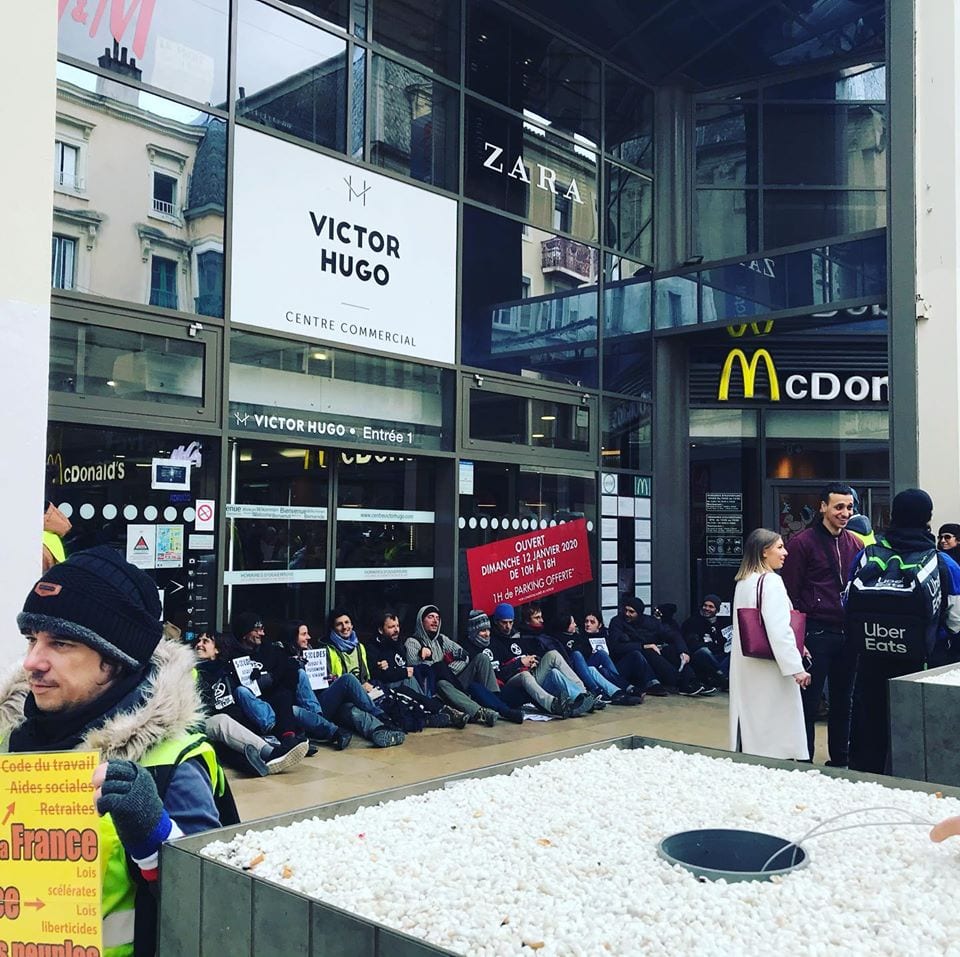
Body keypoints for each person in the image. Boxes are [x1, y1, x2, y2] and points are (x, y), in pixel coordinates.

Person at [0, 546, 228, 957]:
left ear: (115, 659)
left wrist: (156, 837)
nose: (33, 661)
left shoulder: (170, 764)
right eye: (32, 639)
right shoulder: (9, 739)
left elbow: (216, 911)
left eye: (61, 643)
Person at [848, 489, 960, 773]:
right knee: (916, 734)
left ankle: (867, 779)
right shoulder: (943, 563)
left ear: (892, 516)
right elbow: (956, 621)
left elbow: (846, 603)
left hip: (871, 659)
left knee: (869, 730)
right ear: (928, 519)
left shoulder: (865, 557)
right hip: (921, 664)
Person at [780, 482, 861, 767]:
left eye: (849, 507)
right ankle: (804, 758)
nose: (845, 513)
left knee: (844, 700)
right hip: (816, 631)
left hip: (846, 632)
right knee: (809, 701)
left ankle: (841, 758)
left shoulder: (856, 543)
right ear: (823, 506)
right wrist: (798, 638)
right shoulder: (802, 543)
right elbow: (790, 592)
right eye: (839, 506)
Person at [729, 528, 811, 760]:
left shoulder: (744, 581)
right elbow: (778, 628)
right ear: (764, 551)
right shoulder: (772, 581)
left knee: (752, 718)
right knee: (777, 719)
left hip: (747, 662)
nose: (785, 553)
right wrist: (796, 667)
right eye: (780, 547)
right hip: (771, 665)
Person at [195, 632, 310, 774]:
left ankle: (278, 748)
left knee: (280, 699)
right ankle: (270, 755)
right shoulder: (191, 672)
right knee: (223, 730)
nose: (199, 644)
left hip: (239, 721)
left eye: (205, 641)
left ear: (217, 649)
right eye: (198, 641)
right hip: (211, 723)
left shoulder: (228, 670)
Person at [487, 603, 596, 717]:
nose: (508, 626)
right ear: (496, 622)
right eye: (504, 623)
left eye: (511, 622)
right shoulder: (493, 642)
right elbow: (497, 674)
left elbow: (531, 655)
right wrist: (520, 662)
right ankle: (553, 705)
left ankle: (583, 694)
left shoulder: (517, 637)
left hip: (531, 674)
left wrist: (534, 661)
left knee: (553, 655)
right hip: (511, 681)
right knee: (525, 675)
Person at [404, 604, 501, 726]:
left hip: (454, 680)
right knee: (442, 681)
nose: (435, 621)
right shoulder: (412, 642)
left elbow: (464, 656)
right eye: (430, 617)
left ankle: (496, 702)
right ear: (421, 621)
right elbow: (415, 665)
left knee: (482, 658)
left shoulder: (441, 639)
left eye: (437, 618)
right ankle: (480, 713)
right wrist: (439, 665)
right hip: (432, 687)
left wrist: (447, 670)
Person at [608, 596, 709, 696]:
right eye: (625, 610)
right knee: (649, 652)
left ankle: (692, 680)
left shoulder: (650, 622)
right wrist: (643, 646)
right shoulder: (617, 622)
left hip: (653, 652)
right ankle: (680, 682)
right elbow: (615, 647)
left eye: (631, 612)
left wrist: (683, 651)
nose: (627, 614)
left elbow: (673, 635)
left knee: (671, 650)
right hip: (633, 656)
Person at [542, 612, 641, 705]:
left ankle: (619, 689)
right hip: (571, 669)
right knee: (577, 655)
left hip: (585, 667)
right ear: (565, 625)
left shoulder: (578, 635)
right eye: (572, 623)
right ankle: (596, 691)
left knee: (600, 655)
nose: (576, 624)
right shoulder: (557, 638)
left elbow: (588, 650)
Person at [582, 610, 665, 696]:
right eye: (586, 621)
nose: (588, 624)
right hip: (596, 673)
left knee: (635, 654)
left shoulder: (606, 635)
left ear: (599, 625)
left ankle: (653, 683)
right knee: (603, 668)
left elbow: (616, 649)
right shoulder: (581, 638)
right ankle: (627, 688)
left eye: (592, 622)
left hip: (614, 670)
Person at [681, 594, 730, 690]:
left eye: (711, 607)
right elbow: (692, 643)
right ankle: (722, 677)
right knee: (704, 651)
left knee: (732, 653)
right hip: (700, 656)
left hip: (718, 655)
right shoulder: (692, 622)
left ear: (717, 610)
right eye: (705, 605)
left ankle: (719, 677)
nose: (707, 608)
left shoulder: (722, 623)